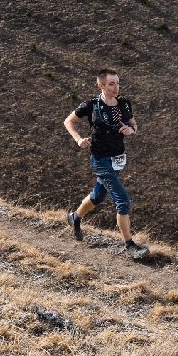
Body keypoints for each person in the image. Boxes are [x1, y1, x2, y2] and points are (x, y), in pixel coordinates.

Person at [63, 68, 149, 259]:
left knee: (98, 196)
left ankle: (75, 218)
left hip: (118, 160)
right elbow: (68, 121)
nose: (116, 87)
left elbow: (134, 124)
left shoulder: (124, 104)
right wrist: (78, 139)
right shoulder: (91, 105)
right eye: (111, 84)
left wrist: (131, 130)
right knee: (123, 200)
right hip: (101, 160)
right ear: (101, 85)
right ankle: (130, 246)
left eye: (117, 83)